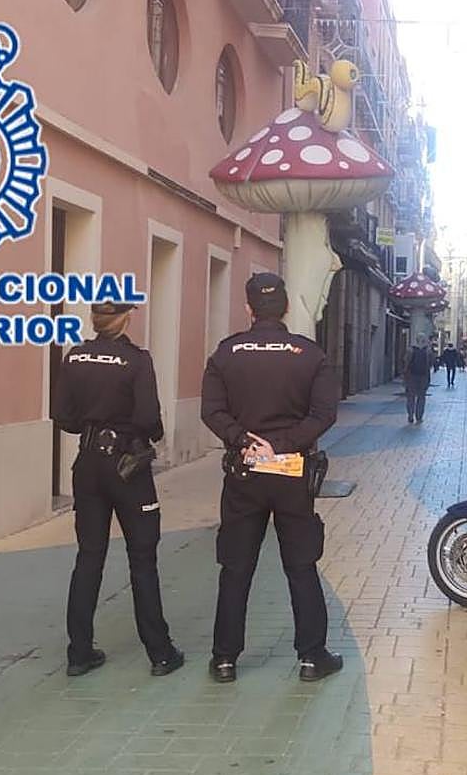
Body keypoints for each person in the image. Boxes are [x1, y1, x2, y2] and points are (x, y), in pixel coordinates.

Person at [200, 273, 342, 684]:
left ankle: (224, 659)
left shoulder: (226, 354)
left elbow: (212, 411)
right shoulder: (309, 355)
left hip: (244, 471)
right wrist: (283, 445)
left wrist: (245, 440)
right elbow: (324, 414)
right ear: (286, 308)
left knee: (236, 566)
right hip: (291, 472)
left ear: (248, 309)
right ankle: (312, 657)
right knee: (301, 564)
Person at [50, 302, 184, 678]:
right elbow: (148, 418)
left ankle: (79, 653)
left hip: (88, 464)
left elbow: (63, 416)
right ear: (125, 320)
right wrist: (149, 435)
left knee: (89, 557)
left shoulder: (75, 358)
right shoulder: (137, 360)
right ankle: (160, 654)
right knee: (142, 558)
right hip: (128, 467)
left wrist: (92, 424)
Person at [404, 334, 432, 423]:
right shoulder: (428, 351)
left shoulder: (410, 350)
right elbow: (430, 364)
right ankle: (419, 416)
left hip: (411, 376)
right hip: (423, 377)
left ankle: (410, 415)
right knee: (421, 397)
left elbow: (406, 362)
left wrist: (405, 375)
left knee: (410, 397)